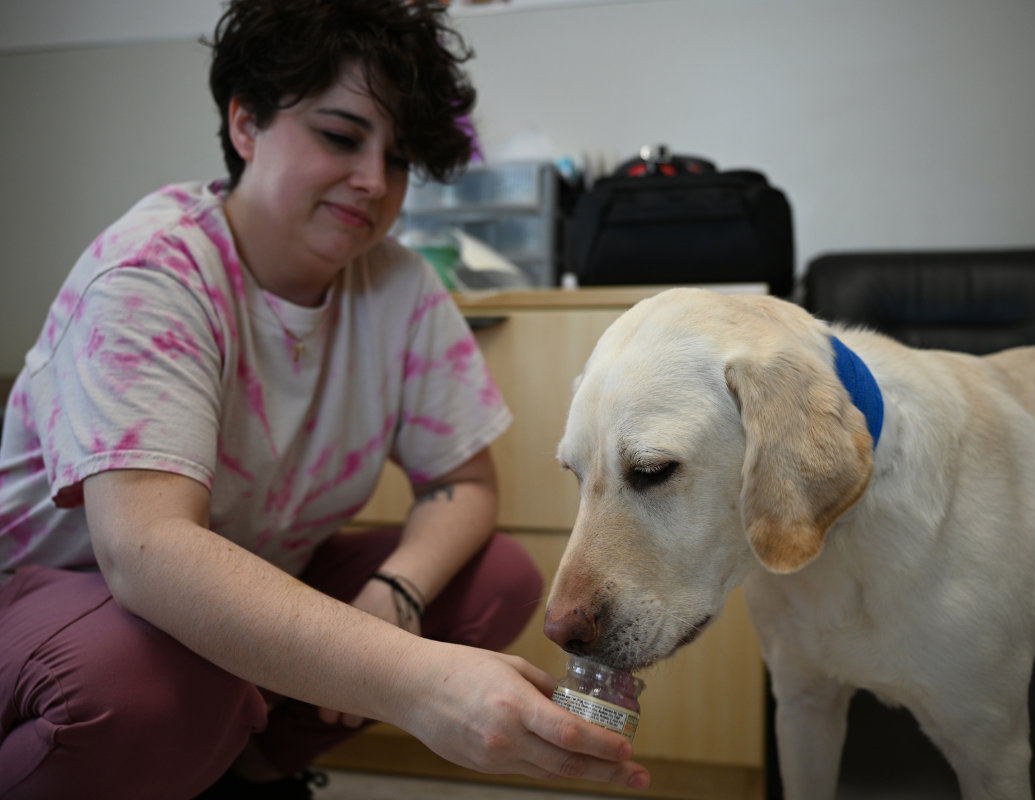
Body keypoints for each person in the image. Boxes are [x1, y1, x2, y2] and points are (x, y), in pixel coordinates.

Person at [0, 1, 651, 798]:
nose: (375, 181)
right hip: (57, 596)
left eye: (401, 157)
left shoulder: (398, 285)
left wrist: (396, 594)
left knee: (497, 575)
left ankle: (248, 772)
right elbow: (149, 556)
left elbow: (464, 484)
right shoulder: (152, 275)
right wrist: (418, 680)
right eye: (340, 137)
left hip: (241, 575)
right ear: (246, 123)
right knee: (140, 677)